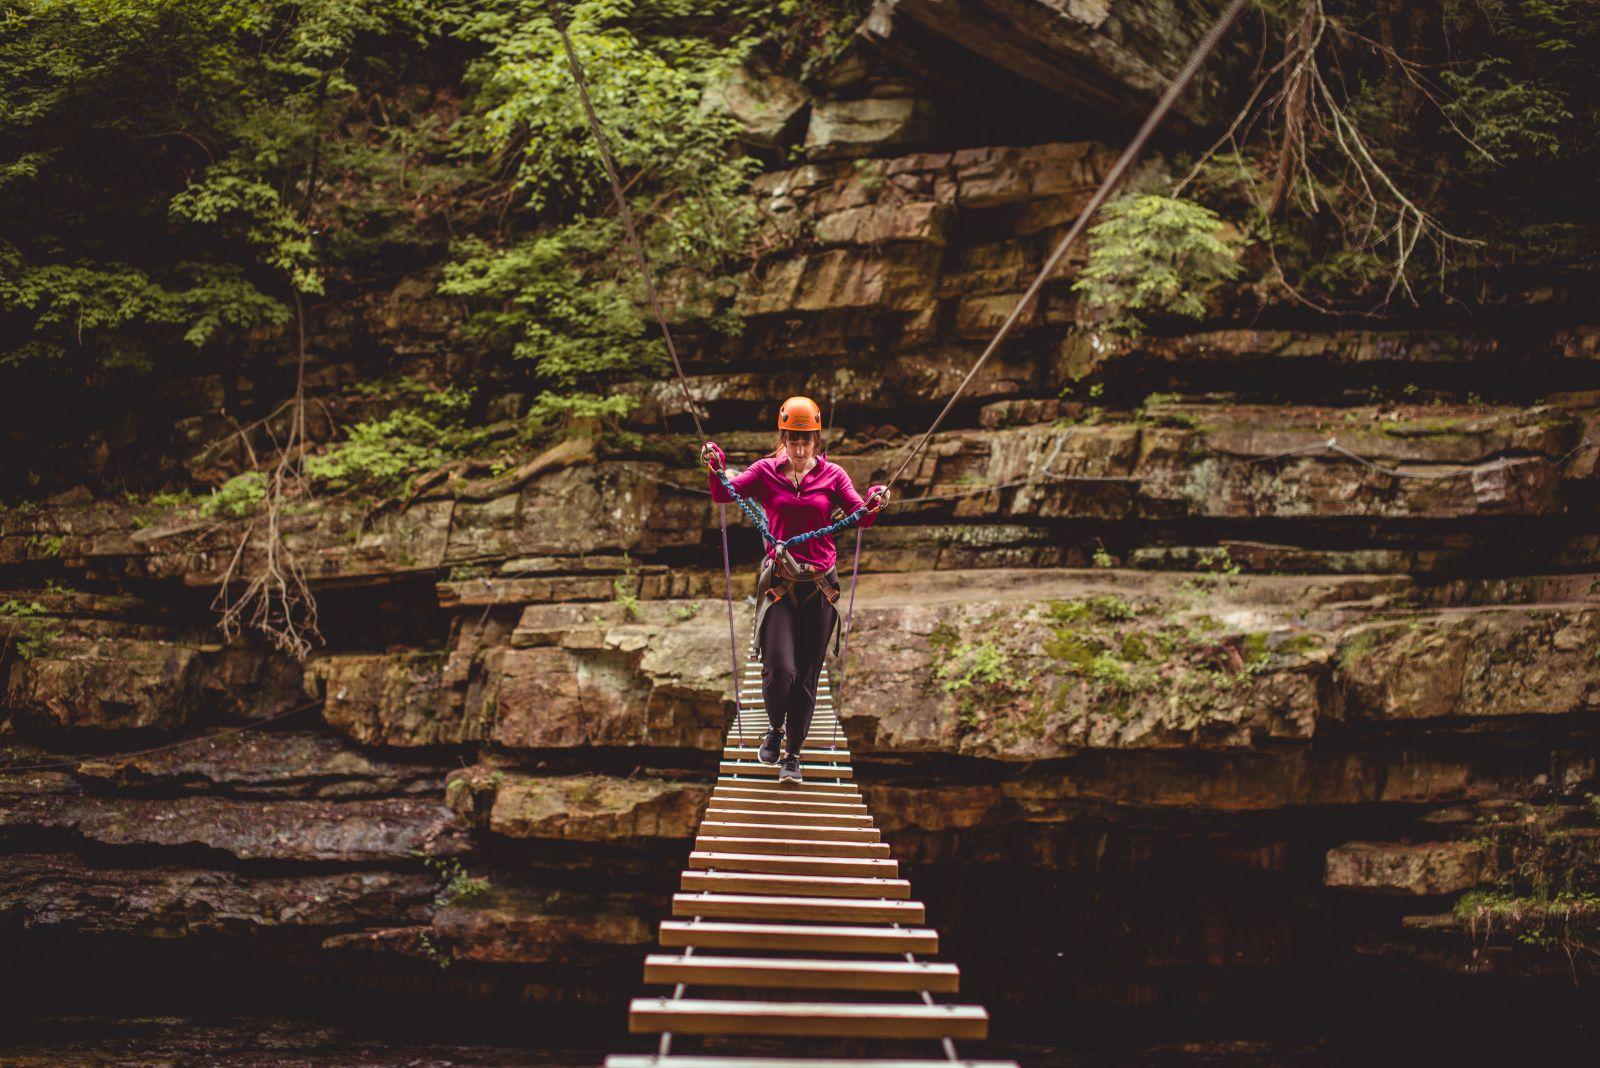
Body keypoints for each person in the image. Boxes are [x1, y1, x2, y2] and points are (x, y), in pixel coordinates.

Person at [700, 396, 888, 784]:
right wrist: (716, 465)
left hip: (820, 587)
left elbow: (861, 517)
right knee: (781, 670)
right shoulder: (765, 472)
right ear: (783, 438)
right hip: (781, 586)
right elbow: (724, 493)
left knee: (806, 676)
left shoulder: (833, 476)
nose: (800, 449)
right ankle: (774, 729)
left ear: (816, 440)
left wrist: (874, 500)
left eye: (807, 441)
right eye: (793, 440)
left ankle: (794, 755)